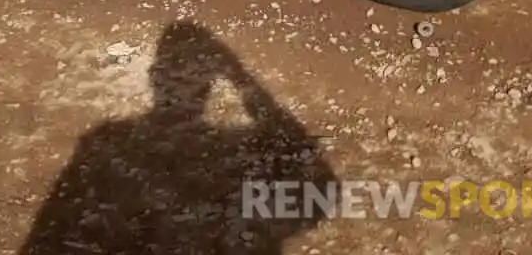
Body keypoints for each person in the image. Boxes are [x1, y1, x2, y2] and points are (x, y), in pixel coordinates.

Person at [19, 21, 338, 254]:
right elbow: (321, 196)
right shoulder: (107, 141)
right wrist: (244, 82)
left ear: (154, 75)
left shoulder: (106, 141)